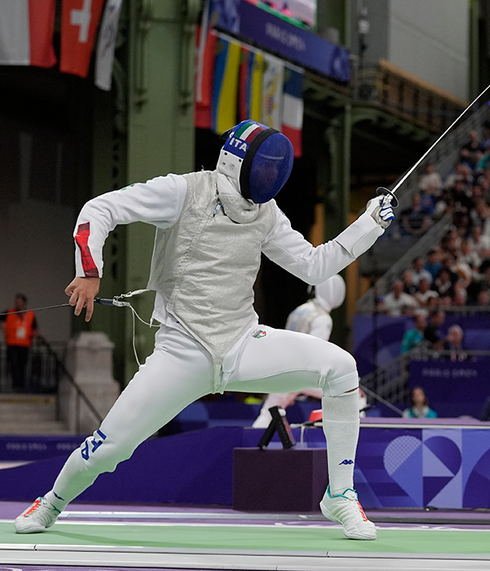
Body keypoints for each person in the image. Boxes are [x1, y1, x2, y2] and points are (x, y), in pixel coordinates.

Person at [14, 120, 394, 541]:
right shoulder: (184, 191)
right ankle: (51, 502)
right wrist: (89, 270)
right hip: (182, 351)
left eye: (276, 168)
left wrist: (369, 224)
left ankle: (339, 494)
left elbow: (313, 265)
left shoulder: (265, 213)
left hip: (242, 342)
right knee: (109, 449)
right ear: (238, 162)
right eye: (266, 166)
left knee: (341, 368)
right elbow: (99, 209)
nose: (271, 175)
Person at [251, 276, 346, 429]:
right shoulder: (323, 318)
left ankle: (251, 446)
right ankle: (353, 441)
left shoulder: (300, 310)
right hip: (301, 373)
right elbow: (315, 353)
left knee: (269, 413)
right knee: (353, 393)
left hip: (283, 370)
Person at [3, 294, 37, 392]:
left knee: (22, 365)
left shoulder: (30, 314)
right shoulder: (9, 312)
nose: (17, 304)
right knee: (14, 364)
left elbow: (34, 328)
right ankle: (15, 385)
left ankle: (21, 385)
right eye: (16, 302)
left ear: (24, 303)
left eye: (19, 301)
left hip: (24, 344)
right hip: (12, 343)